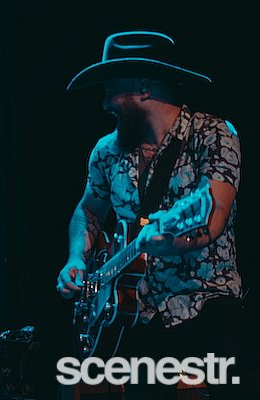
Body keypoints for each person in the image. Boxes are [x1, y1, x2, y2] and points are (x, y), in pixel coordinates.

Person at [55, 31, 259, 399]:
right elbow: (88, 210)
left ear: (143, 88)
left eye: (111, 92)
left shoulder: (212, 134)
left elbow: (214, 216)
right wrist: (76, 258)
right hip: (140, 314)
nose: (105, 103)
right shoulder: (106, 151)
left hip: (206, 303)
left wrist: (168, 244)